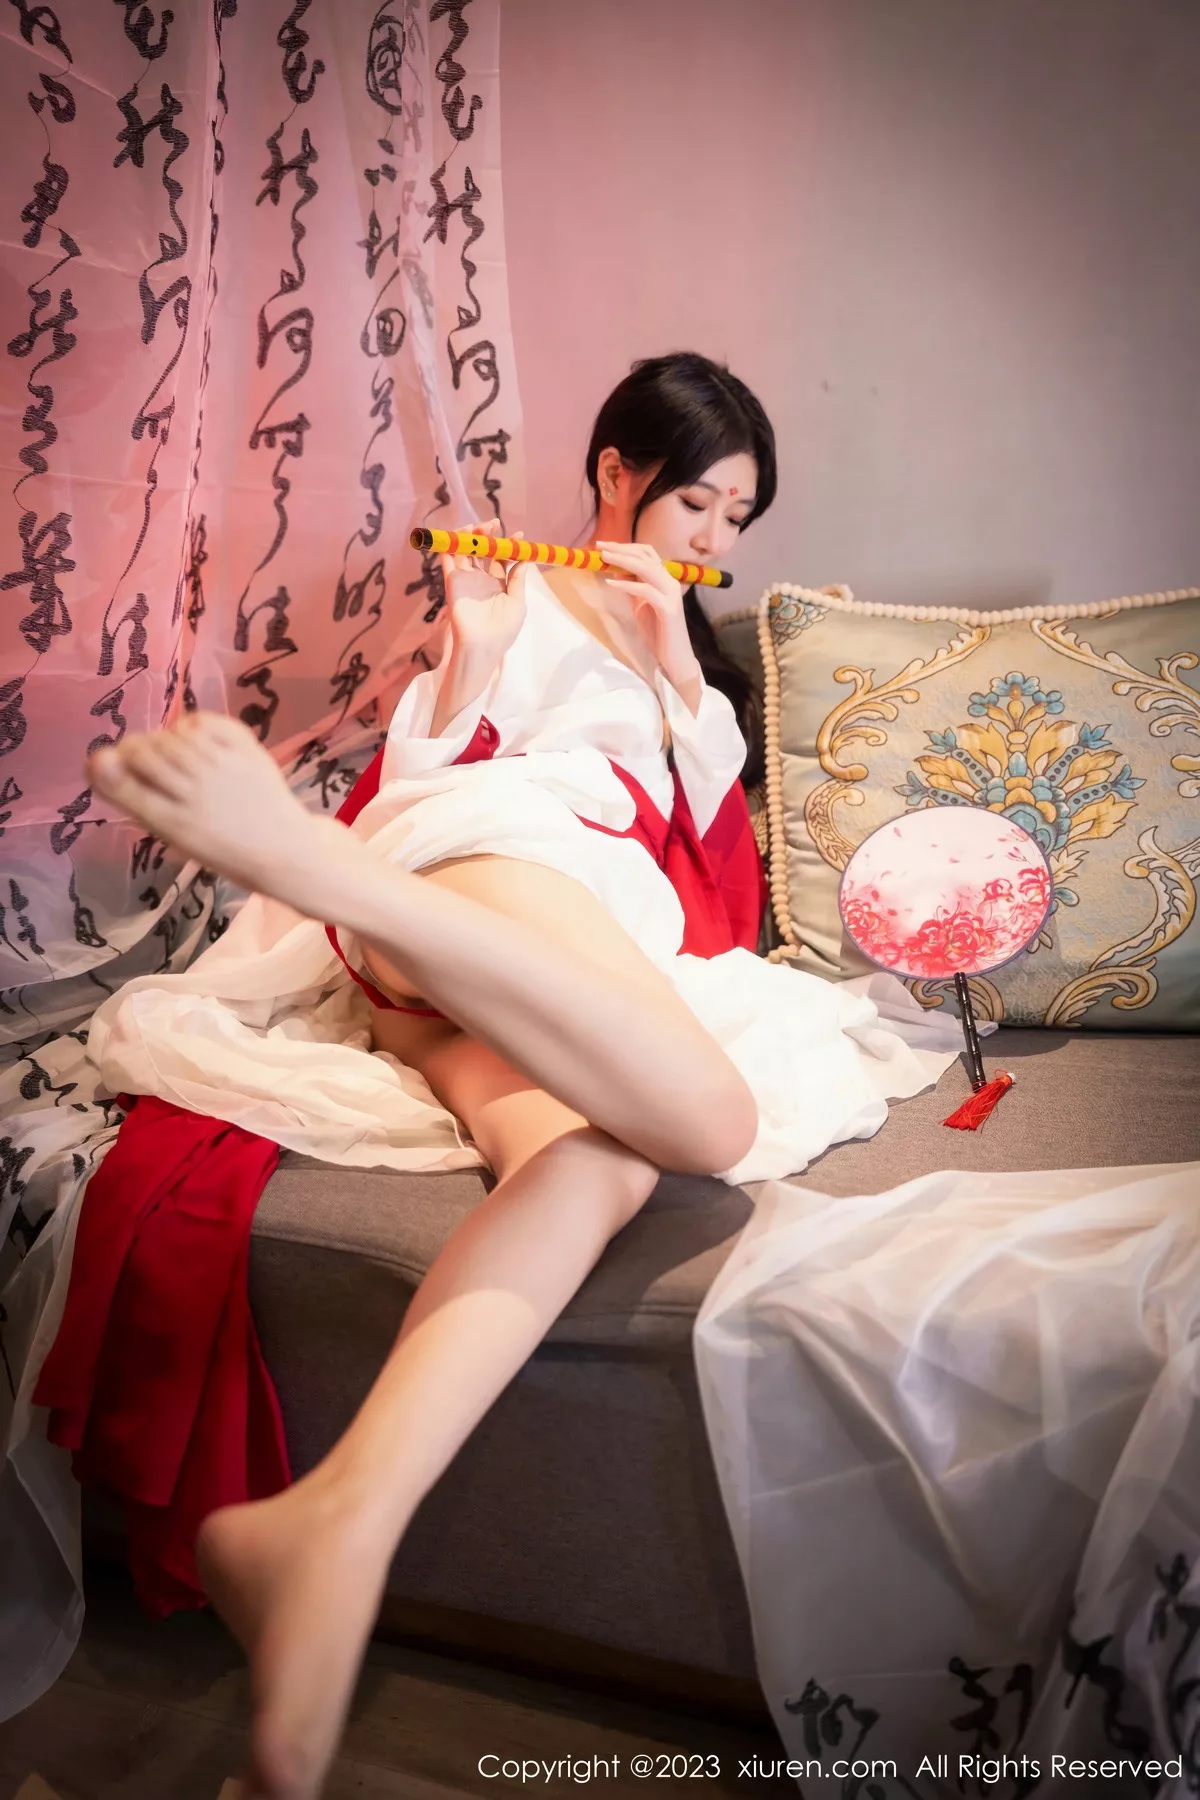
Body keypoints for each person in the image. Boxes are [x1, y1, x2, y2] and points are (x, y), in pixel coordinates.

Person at [79, 352, 962, 1800]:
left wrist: (678, 669)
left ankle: (330, 1531)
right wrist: (477, 655)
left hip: (513, 953)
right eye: (696, 501)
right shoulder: (512, 594)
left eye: (736, 519)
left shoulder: (684, 641)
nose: (713, 538)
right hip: (488, 851)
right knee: (711, 1116)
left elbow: (710, 878)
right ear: (616, 469)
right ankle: (328, 875)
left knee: (598, 1159)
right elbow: (433, 766)